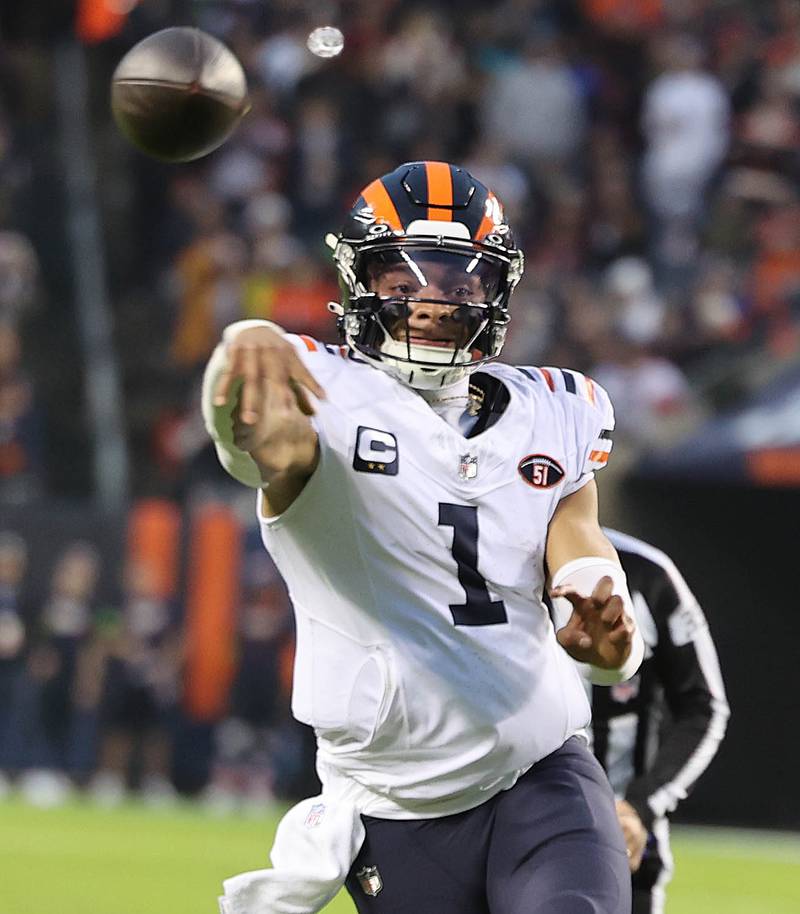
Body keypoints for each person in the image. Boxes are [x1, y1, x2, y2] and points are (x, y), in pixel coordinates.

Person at [203, 161, 645, 914]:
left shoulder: (558, 410)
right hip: (397, 804)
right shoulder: (320, 391)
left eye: (458, 282)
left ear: (496, 293)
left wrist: (604, 618)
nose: (433, 302)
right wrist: (239, 375)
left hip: (541, 770)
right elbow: (264, 445)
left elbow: (579, 543)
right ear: (357, 282)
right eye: (403, 283)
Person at [591, 529, 730, 914]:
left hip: (624, 842)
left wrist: (640, 806)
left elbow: (704, 707)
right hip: (508, 830)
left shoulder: (647, 574)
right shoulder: (484, 563)